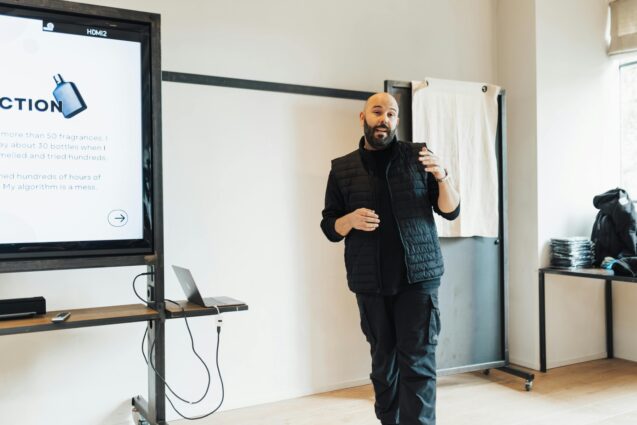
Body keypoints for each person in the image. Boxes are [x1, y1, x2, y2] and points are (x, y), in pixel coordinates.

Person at [320, 92, 460, 425]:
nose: (384, 118)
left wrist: (442, 176)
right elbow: (329, 225)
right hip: (371, 282)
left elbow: (451, 210)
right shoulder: (342, 169)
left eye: (392, 114)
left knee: (418, 364)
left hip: (419, 280)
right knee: (384, 365)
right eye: (377, 111)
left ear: (397, 121)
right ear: (363, 117)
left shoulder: (419, 156)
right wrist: (349, 220)